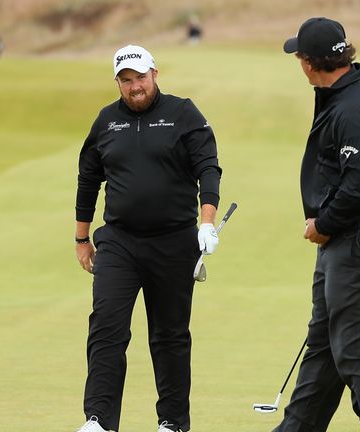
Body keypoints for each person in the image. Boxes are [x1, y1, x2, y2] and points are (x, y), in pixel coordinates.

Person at [74, 44, 223, 432]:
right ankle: (99, 421)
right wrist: (81, 238)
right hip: (119, 241)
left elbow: (208, 167)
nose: (134, 86)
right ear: (118, 83)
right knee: (106, 326)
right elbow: (88, 178)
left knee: (169, 335)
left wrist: (206, 222)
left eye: (140, 77)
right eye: (126, 80)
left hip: (174, 241)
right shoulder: (107, 122)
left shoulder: (183, 114)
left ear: (154, 74)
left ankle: (172, 422)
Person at [274, 17, 360, 432]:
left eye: (300, 56)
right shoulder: (359, 89)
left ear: (311, 63)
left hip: (359, 239)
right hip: (349, 239)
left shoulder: (351, 108)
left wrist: (324, 224)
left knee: (350, 349)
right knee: (324, 346)